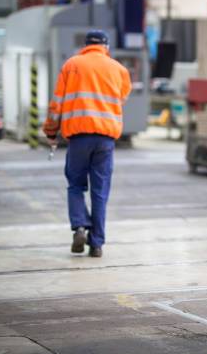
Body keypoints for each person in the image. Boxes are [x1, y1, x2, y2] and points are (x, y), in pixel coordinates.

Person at [42, 30, 131, 258]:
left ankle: (80, 226)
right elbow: (121, 99)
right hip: (105, 139)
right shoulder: (119, 69)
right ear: (106, 46)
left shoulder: (71, 65)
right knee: (100, 192)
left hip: (78, 137)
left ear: (85, 45)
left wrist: (51, 131)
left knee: (75, 185)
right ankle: (97, 243)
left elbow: (57, 104)